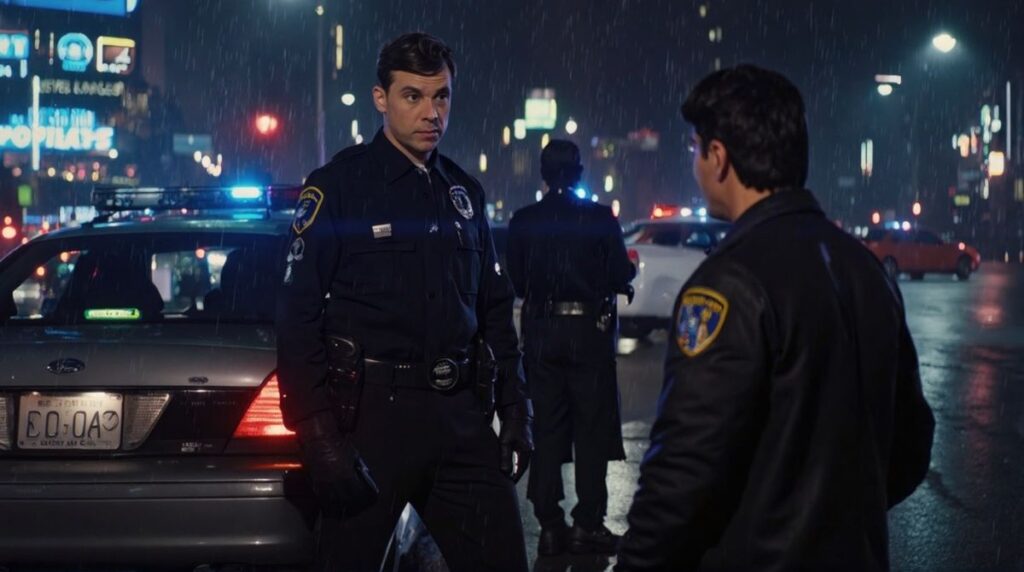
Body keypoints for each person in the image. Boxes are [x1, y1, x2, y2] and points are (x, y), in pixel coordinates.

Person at [615, 65, 935, 571]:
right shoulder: (866, 270)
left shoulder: (729, 282)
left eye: (695, 148)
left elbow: (685, 467)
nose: (696, 165)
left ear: (718, 157)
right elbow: (912, 441)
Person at [275, 32, 533, 572]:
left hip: (458, 417)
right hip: (370, 421)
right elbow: (297, 319)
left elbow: (493, 310)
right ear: (381, 99)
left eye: (441, 97)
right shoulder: (339, 187)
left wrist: (515, 409)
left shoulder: (464, 194)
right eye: (413, 96)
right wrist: (317, 432)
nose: (431, 112)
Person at [506, 140, 636, 557]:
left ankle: (549, 523)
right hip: (588, 335)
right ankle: (588, 523)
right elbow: (619, 270)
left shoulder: (525, 220)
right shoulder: (598, 218)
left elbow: (518, 281)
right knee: (591, 430)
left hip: (542, 333)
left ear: (544, 174)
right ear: (579, 172)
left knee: (546, 428)